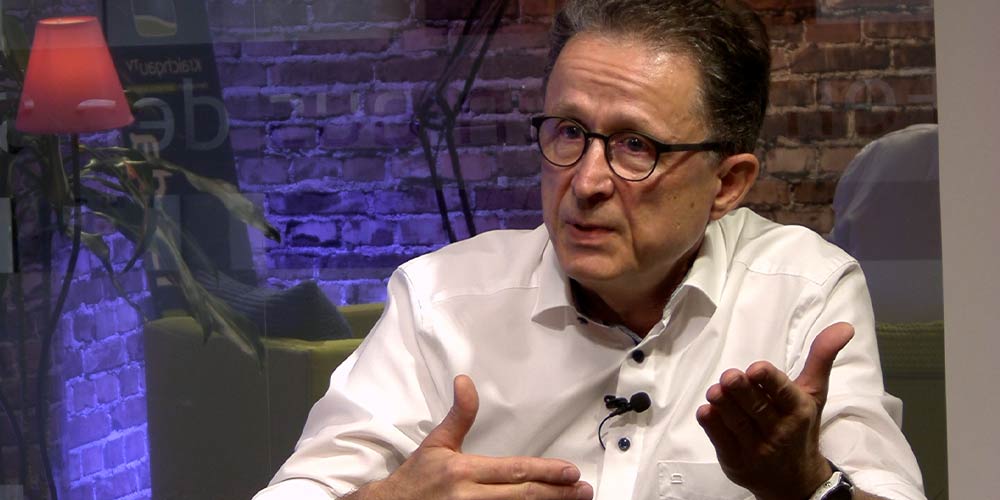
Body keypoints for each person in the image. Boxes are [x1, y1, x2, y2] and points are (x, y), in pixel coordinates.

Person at [255, 1, 925, 499]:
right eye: (570, 131)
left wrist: (807, 487)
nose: (586, 181)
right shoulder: (441, 300)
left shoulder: (804, 291)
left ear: (727, 184)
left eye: (636, 145)